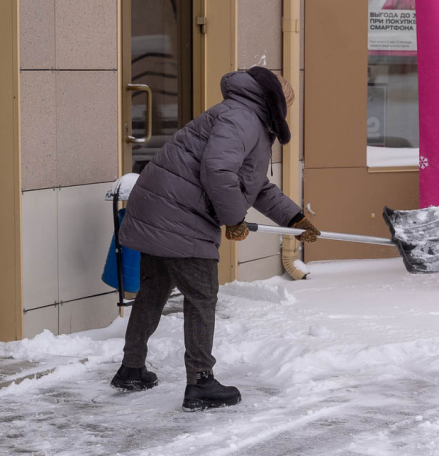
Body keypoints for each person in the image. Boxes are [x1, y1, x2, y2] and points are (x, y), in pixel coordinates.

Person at [110, 67, 320, 412]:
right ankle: (201, 382)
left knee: (154, 290)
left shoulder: (242, 115)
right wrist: (234, 219)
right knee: (202, 297)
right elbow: (218, 171)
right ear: (276, 101)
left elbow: (255, 186)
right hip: (180, 214)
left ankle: (131, 368)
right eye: (287, 105)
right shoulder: (243, 118)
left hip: (159, 207)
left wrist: (294, 218)